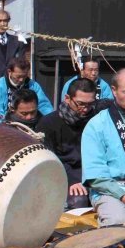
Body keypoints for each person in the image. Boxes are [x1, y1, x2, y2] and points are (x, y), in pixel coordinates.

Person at [81, 69, 125, 227]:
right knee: (119, 222)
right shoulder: (97, 125)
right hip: (111, 191)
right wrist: (123, 196)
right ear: (114, 90)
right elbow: (95, 176)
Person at [38, 78, 97, 210]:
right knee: (78, 200)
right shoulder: (49, 123)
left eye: (90, 104)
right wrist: (72, 181)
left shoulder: (97, 120)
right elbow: (49, 160)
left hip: (92, 173)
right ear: (67, 98)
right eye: (80, 104)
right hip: (63, 175)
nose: (85, 109)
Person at [0, 57, 52, 122]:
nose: (21, 80)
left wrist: (50, 120)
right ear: (9, 72)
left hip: (31, 122)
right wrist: (2, 123)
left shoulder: (34, 85)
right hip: (7, 123)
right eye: (18, 76)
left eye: (24, 76)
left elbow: (44, 105)